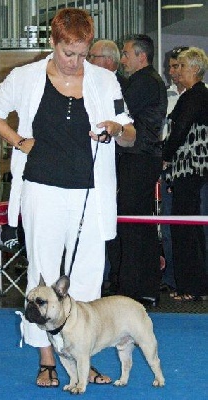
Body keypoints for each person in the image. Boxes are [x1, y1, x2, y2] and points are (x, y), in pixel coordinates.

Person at [0, 8, 135, 389]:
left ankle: (84, 360)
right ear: (54, 42)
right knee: (43, 276)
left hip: (89, 195)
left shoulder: (104, 80)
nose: (75, 62)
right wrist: (19, 140)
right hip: (42, 190)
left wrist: (116, 129)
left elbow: (130, 133)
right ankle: (46, 356)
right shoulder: (26, 77)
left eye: (82, 54)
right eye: (69, 53)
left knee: (86, 281)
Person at [117, 34, 167, 306]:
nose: (122, 60)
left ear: (141, 56)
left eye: (125, 54)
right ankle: (142, 287)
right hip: (141, 157)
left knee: (133, 223)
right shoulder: (146, 81)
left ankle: (134, 289)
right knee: (140, 223)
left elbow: (119, 110)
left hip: (140, 156)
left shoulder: (145, 82)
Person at [163, 47, 208, 301]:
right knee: (189, 227)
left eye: (180, 66)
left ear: (193, 68)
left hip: (189, 166)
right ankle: (195, 286)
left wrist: (166, 156)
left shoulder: (195, 96)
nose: (176, 71)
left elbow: (180, 130)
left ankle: (191, 287)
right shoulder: (196, 95)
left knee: (185, 228)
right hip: (189, 168)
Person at [88, 39, 129, 294]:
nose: (87, 61)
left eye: (91, 56)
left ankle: (108, 283)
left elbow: (130, 132)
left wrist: (118, 129)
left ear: (107, 61)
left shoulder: (116, 87)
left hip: (115, 173)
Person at [160, 46, 189, 296]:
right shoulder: (164, 95)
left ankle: (196, 279)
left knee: (196, 226)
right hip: (169, 168)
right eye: (170, 66)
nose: (173, 72)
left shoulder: (203, 95)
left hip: (196, 171)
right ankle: (171, 278)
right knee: (169, 225)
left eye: (178, 66)